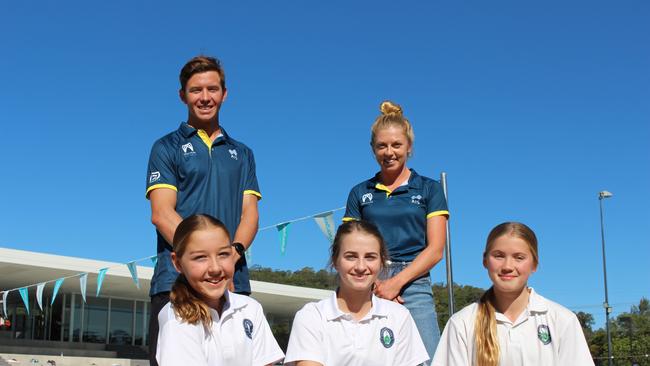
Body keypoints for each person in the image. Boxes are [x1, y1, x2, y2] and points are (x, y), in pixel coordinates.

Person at [146, 55, 262, 365]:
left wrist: (228, 261)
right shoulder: (165, 147)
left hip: (233, 283)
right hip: (175, 283)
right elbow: (162, 213)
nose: (205, 97)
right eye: (196, 90)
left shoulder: (244, 153)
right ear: (183, 95)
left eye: (212, 89)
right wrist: (206, 263)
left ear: (225, 93)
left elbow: (249, 214)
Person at [343, 100, 449, 361]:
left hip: (414, 280)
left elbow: (436, 249)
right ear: (372, 149)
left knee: (428, 359)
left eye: (396, 145)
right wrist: (376, 282)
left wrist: (396, 283)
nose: (389, 152)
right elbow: (348, 245)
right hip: (368, 277)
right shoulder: (360, 192)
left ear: (409, 147)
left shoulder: (429, 189)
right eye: (382, 146)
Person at [432, 222, 594, 366]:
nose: (507, 266)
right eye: (499, 256)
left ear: (534, 264)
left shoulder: (562, 320)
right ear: (485, 261)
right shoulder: (462, 323)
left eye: (519, 257)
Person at [284, 220, 429, 366]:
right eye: (351, 256)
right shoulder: (312, 316)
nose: (360, 266)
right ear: (335, 261)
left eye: (370, 257)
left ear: (381, 262)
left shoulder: (399, 316)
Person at [156, 214, 283, 366]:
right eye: (200, 257)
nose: (215, 268)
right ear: (177, 263)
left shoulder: (250, 308)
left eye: (223, 254)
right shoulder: (176, 318)